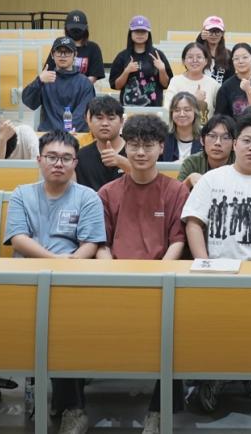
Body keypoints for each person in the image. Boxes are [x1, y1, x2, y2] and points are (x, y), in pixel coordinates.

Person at [181, 107, 251, 414]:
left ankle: (244, 372)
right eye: (246, 141)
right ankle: (214, 377)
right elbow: (194, 223)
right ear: (235, 143)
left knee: (250, 327)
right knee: (211, 326)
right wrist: (204, 263)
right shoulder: (212, 180)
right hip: (213, 271)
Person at [3, 130, 106, 434]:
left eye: (65, 158)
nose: (58, 164)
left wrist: (68, 266)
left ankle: (73, 408)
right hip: (27, 280)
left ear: (75, 163)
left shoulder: (87, 197)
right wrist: (54, 261)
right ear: (39, 160)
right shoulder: (22, 193)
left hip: (71, 281)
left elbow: (91, 243)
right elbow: (18, 239)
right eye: (51, 157)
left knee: (63, 326)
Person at [96, 114, 189, 434]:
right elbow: (101, 243)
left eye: (147, 145)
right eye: (133, 145)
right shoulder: (108, 192)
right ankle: (72, 407)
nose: (139, 152)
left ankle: (159, 410)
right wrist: (112, 273)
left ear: (161, 147)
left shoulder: (175, 191)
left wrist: (160, 275)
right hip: (115, 282)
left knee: (176, 331)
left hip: (162, 283)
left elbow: (178, 241)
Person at [22, 36, 96, 132]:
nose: (63, 55)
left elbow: (82, 115)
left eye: (67, 52)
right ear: (52, 55)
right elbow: (29, 102)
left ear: (75, 55)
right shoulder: (45, 79)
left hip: (73, 134)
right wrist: (39, 81)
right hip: (48, 134)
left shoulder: (84, 83)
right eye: (59, 51)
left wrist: (64, 134)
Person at [108, 16, 174, 107]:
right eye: (136, 31)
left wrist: (162, 70)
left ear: (148, 34)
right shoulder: (122, 56)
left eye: (143, 31)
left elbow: (166, 85)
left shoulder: (158, 55)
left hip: (154, 108)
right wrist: (126, 71)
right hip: (128, 109)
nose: (140, 34)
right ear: (130, 33)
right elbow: (116, 86)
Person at [75, 96, 130, 191]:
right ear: (89, 120)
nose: (105, 123)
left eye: (111, 118)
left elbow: (148, 181)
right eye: (99, 118)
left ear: (121, 121)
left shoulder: (137, 152)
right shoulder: (81, 156)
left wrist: (123, 162)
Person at [162, 41, 220, 123]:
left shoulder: (214, 85)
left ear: (206, 61)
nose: (195, 60)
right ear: (183, 61)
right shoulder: (175, 81)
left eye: (199, 57)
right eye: (190, 57)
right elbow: (168, 109)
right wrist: (194, 99)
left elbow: (219, 114)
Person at [43, 9, 105, 84]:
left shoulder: (93, 48)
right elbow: (48, 72)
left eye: (79, 28)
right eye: (73, 28)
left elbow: (93, 76)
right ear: (66, 28)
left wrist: (77, 87)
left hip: (84, 89)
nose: (75, 31)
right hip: (59, 88)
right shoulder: (59, 45)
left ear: (86, 28)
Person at [214, 42, 251, 117]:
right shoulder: (226, 86)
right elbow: (220, 117)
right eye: (236, 58)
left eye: (245, 57)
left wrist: (249, 90)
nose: (241, 61)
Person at [177, 114, 237, 188]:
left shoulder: (240, 163)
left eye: (225, 138)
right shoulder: (192, 163)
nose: (217, 143)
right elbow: (175, 194)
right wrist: (188, 181)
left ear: (234, 144)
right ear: (202, 140)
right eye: (212, 136)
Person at [160, 92, 203, 162]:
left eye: (187, 110)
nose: (182, 114)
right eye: (177, 110)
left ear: (195, 113)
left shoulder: (205, 137)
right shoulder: (162, 136)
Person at [197, 15, 231, 85]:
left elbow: (231, 78)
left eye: (217, 31)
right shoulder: (198, 52)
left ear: (222, 33)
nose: (214, 35)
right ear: (204, 32)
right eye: (211, 31)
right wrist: (200, 39)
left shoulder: (228, 54)